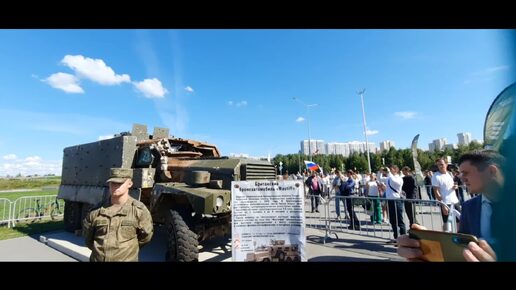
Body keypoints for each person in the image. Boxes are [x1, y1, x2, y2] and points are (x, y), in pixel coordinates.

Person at [397, 150, 504, 262]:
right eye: (461, 173)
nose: (461, 178)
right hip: (447, 203)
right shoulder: (469, 206)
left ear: (491, 171)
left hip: (454, 201)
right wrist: (432, 251)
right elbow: (462, 251)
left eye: (466, 173)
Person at [83, 168, 154, 262]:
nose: (115, 186)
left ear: (129, 184)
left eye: (119, 183)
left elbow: (146, 237)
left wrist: (129, 249)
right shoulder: (96, 211)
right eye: (112, 183)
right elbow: (88, 239)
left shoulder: (139, 210)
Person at [432, 157, 460, 230]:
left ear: (446, 164)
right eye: (438, 165)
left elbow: (451, 185)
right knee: (447, 224)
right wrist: (443, 204)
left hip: (455, 201)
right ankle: (445, 239)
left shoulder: (449, 174)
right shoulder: (436, 176)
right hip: (446, 203)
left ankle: (458, 238)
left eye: (442, 164)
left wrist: (455, 187)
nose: (440, 166)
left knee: (460, 221)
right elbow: (436, 192)